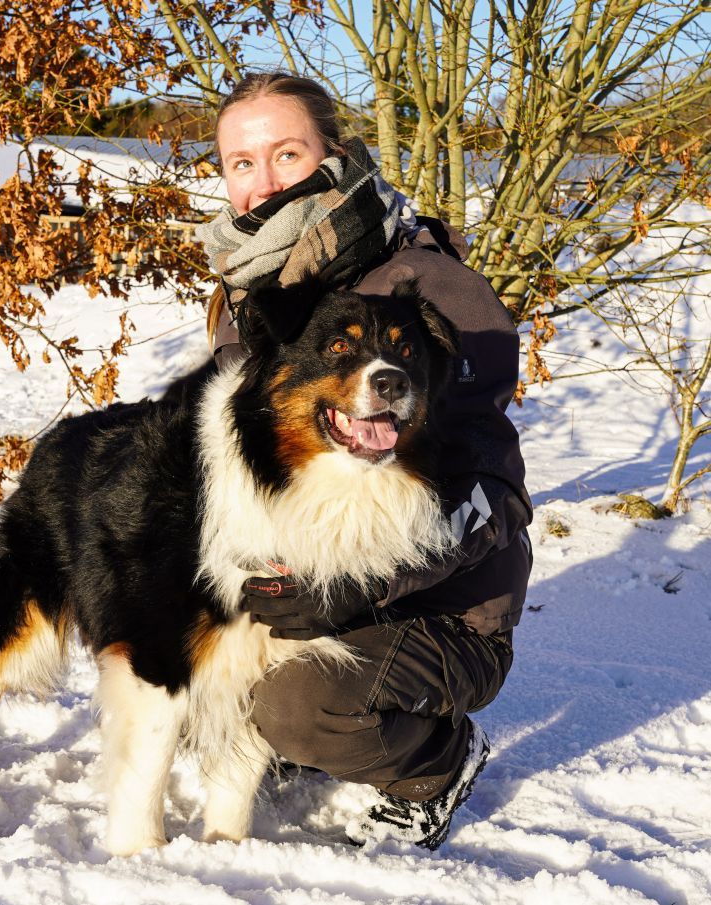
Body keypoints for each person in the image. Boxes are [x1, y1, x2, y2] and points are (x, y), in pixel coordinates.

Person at [194, 72, 533, 850]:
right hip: (306, 581)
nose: (261, 182)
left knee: (294, 705)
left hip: (442, 612)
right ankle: (302, 724)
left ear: (335, 156)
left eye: (285, 153)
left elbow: (496, 497)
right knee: (190, 683)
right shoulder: (251, 293)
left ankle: (435, 763)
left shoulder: (432, 290)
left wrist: (352, 587)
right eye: (240, 163)